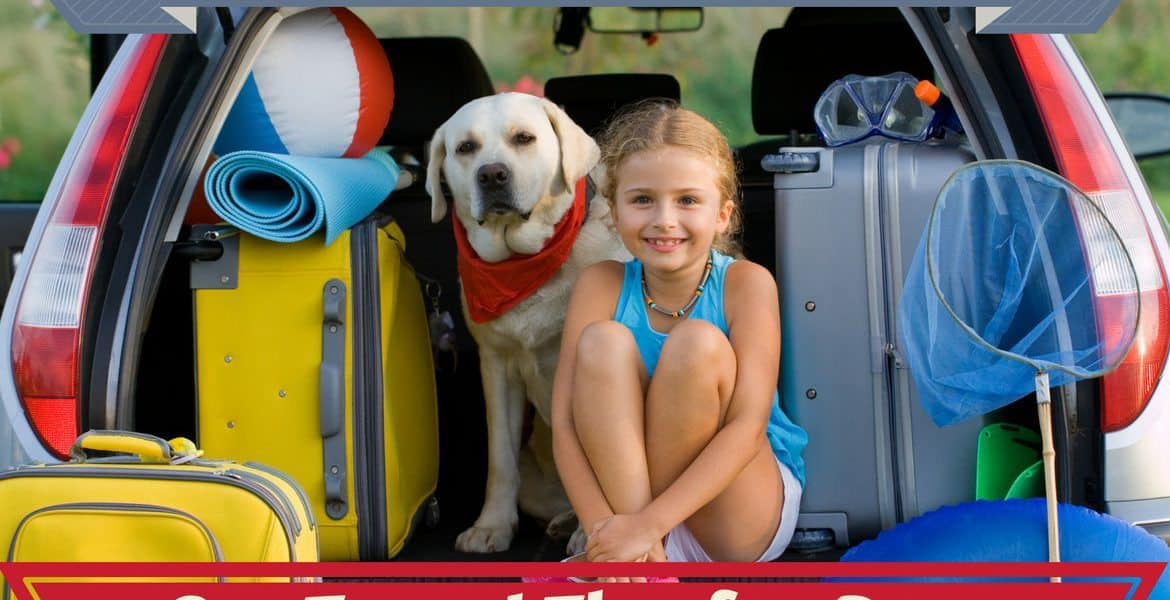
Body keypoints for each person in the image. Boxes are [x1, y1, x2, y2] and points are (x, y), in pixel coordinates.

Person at [550, 100, 808, 566]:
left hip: (733, 508)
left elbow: (748, 429)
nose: (664, 219)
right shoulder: (600, 284)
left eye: (688, 200)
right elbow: (565, 426)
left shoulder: (746, 285)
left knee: (699, 342)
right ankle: (642, 566)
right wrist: (604, 535)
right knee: (602, 342)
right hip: (629, 514)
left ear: (723, 214)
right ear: (613, 210)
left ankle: (643, 551)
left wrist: (646, 527)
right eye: (642, 199)